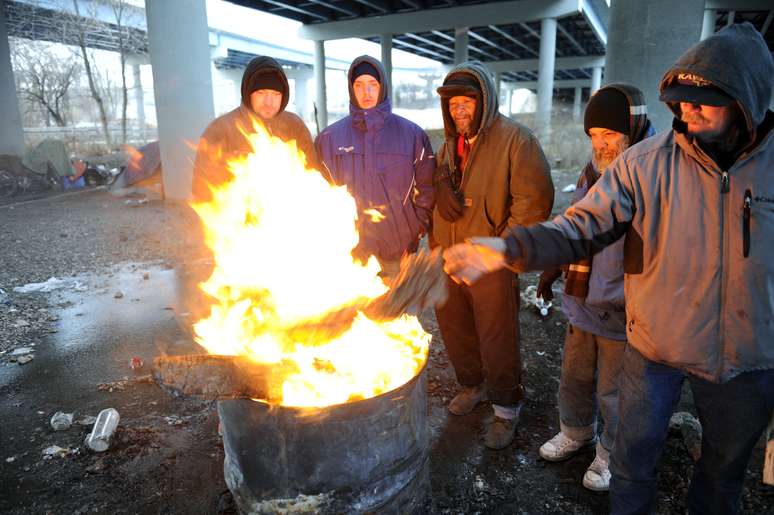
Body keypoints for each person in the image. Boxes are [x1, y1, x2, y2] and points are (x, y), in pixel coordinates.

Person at [442, 23, 773, 514]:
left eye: (705, 99)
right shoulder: (645, 164)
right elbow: (578, 227)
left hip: (746, 359)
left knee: (723, 476)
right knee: (631, 465)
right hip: (655, 345)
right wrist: (506, 248)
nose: (687, 108)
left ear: (747, 98)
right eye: (681, 98)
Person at [536, 83, 653, 491]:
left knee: (615, 390)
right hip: (583, 300)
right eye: (593, 136)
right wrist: (552, 272)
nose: (601, 145)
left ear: (632, 130)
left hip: (624, 309)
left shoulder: (652, 175)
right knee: (576, 375)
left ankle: (609, 454)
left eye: (609, 135)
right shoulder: (591, 173)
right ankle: (576, 431)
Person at [432, 61, 554, 449]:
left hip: (491, 261)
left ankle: (506, 408)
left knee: (497, 336)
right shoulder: (448, 147)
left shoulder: (516, 141)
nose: (460, 110)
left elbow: (533, 202)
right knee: (455, 330)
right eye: (453, 104)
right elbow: (438, 191)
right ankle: (473, 385)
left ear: (484, 101)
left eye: (467, 101)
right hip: (449, 258)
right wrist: (438, 189)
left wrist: (500, 248)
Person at [315, 56, 434, 280]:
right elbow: (318, 193)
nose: (366, 92)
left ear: (383, 87)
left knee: (400, 315)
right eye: (359, 85)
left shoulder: (412, 135)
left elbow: (426, 189)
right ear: (351, 89)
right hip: (348, 257)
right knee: (352, 316)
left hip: (398, 255)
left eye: (372, 84)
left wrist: (414, 230)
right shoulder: (329, 139)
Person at [192, 56, 319, 201]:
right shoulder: (220, 130)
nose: (269, 102)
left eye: (276, 94)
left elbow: (313, 176)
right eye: (261, 93)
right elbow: (201, 191)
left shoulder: (295, 127)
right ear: (248, 93)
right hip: (236, 219)